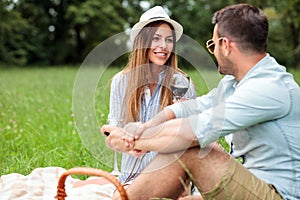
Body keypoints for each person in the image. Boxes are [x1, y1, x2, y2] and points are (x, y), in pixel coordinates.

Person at [102, 3, 300, 200]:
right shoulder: (233, 84)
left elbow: (194, 131)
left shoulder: (268, 87)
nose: (212, 52)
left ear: (226, 45)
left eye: (212, 45)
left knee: (194, 150)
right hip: (250, 182)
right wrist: (148, 125)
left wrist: (131, 142)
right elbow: (192, 107)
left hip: (278, 194)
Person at [75, 5, 197, 189]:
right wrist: (120, 140)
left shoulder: (182, 83)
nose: (163, 46)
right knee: (78, 188)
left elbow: (190, 137)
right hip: (130, 173)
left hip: (170, 174)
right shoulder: (121, 82)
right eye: (155, 39)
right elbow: (114, 133)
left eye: (168, 40)